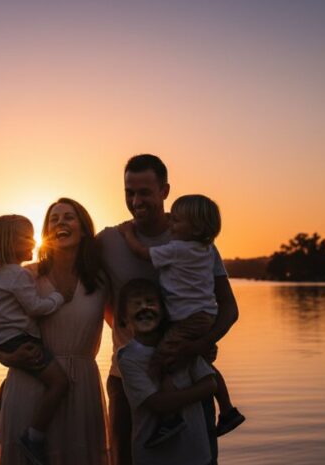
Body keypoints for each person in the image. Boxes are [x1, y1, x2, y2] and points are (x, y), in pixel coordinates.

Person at [98, 154, 240, 465]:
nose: (136, 200)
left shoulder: (196, 243)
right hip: (126, 380)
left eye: (144, 192)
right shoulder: (109, 240)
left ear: (164, 191)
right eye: (129, 192)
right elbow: (91, 294)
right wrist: (131, 335)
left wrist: (201, 344)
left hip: (188, 376)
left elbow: (228, 307)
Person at [0, 198, 111, 465]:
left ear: (84, 228)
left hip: (83, 388)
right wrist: (8, 358)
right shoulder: (27, 276)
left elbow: (128, 323)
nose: (61, 222)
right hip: (30, 383)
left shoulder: (101, 280)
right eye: (54, 219)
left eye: (68, 217)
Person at [118, 194, 245, 443]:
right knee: (201, 363)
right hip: (204, 316)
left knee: (161, 362)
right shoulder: (206, 250)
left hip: (188, 320)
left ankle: (170, 419)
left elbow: (144, 253)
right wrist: (205, 341)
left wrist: (127, 235)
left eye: (176, 220)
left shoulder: (178, 249)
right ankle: (228, 410)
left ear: (195, 227)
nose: (171, 224)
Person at [0, 214, 73, 464]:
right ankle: (34, 435)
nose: (34, 241)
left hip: (1, 338)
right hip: (20, 341)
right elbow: (34, 307)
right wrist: (59, 298)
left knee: (13, 373)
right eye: (27, 237)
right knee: (60, 383)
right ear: (10, 243)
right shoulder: (17, 275)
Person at [116, 278, 217, 465]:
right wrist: (185, 395)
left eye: (150, 302)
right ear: (123, 317)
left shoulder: (183, 345)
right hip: (154, 458)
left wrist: (173, 397)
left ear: (163, 312)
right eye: (136, 304)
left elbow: (211, 384)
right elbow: (158, 404)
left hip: (195, 454)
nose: (144, 308)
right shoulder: (127, 358)